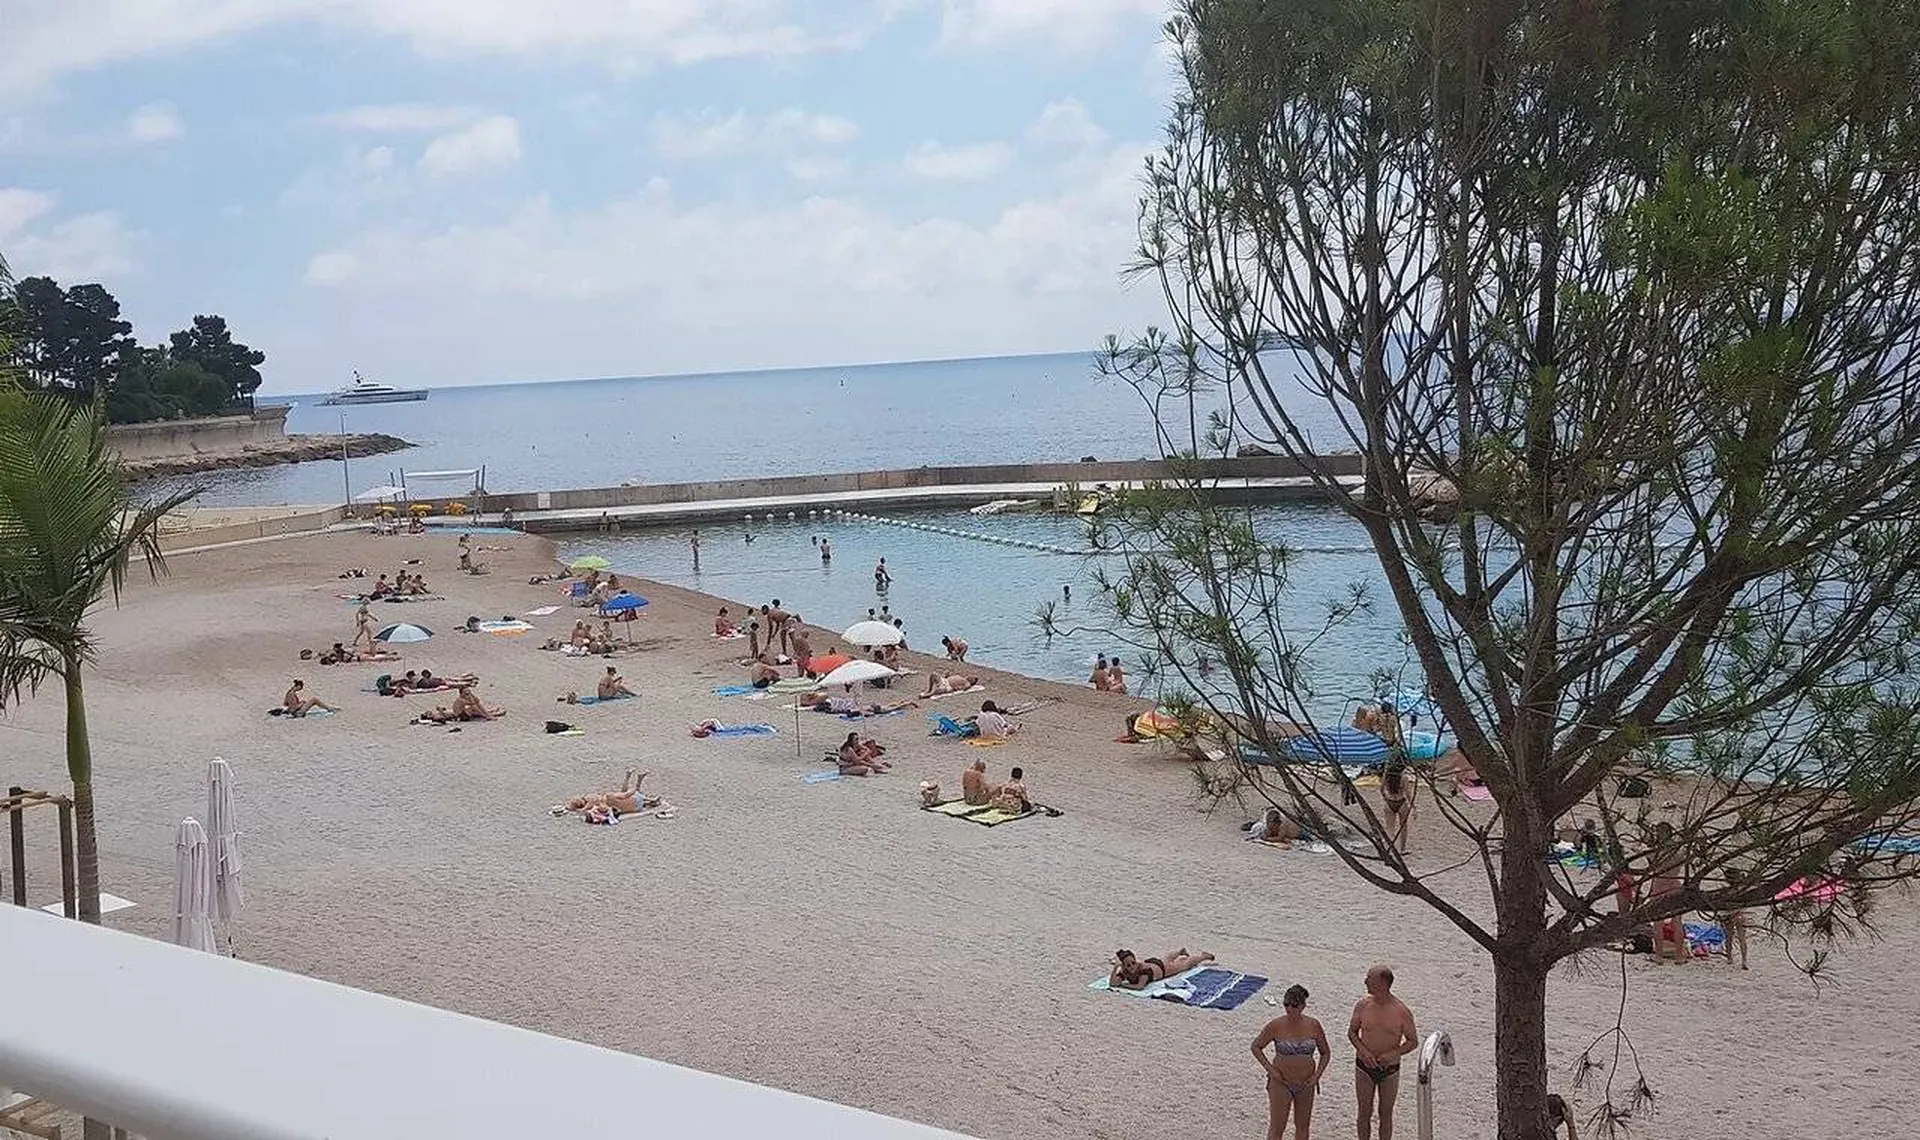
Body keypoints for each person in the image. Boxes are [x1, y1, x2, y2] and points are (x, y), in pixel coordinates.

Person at [1252, 984, 1332, 1140]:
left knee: (1302, 1127)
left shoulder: (1313, 1025)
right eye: (1286, 1004)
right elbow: (1256, 1046)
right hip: (1281, 1082)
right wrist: (1271, 1071)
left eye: (1294, 1005)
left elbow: (1326, 1052)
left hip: (1306, 1082)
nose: (1289, 1008)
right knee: (1277, 1127)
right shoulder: (1276, 1025)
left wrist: (1317, 1076)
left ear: (1302, 1006)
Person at [1349, 965, 1419, 1140]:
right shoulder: (1363, 1005)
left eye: (1369, 978)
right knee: (1364, 1111)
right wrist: (1363, 1050)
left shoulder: (1401, 1011)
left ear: (1382, 983)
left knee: (1385, 1113)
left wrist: (1394, 1054)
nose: (1365, 981)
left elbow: (1413, 1041)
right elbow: (1352, 1032)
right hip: (1364, 1066)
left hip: (1390, 1069)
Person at [1647, 822, 1689, 964]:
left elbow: (1650, 865)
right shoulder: (1678, 853)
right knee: (1677, 922)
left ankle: (1659, 955)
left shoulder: (1655, 852)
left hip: (1659, 886)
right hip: (1674, 885)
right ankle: (1679, 955)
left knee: (1657, 923)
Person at [557, 770, 660, 818]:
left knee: (624, 794)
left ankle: (630, 778)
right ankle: (637, 780)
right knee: (626, 794)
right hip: (636, 801)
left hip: (636, 806)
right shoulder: (606, 797)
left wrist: (569, 809)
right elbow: (626, 795)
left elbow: (579, 809)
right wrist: (636, 786)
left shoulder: (596, 806)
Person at [1109, 948, 1216, 990]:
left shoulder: (1142, 971)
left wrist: (1123, 985)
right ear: (1123, 966)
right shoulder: (1124, 970)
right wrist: (1115, 969)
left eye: (1133, 963)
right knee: (1167, 958)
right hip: (1154, 963)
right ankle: (1179, 952)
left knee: (1185, 964)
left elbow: (1139, 986)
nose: (1132, 966)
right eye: (1128, 965)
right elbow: (1113, 983)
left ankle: (1204, 956)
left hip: (1163, 969)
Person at [1380, 761, 1413, 854]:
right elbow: (1407, 793)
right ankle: (1402, 849)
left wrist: (1385, 798)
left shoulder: (1386, 776)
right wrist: (1412, 805)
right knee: (1403, 827)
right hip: (1401, 802)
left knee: (1390, 828)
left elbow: (1381, 789)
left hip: (1389, 801)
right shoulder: (1404, 777)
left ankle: (1390, 849)